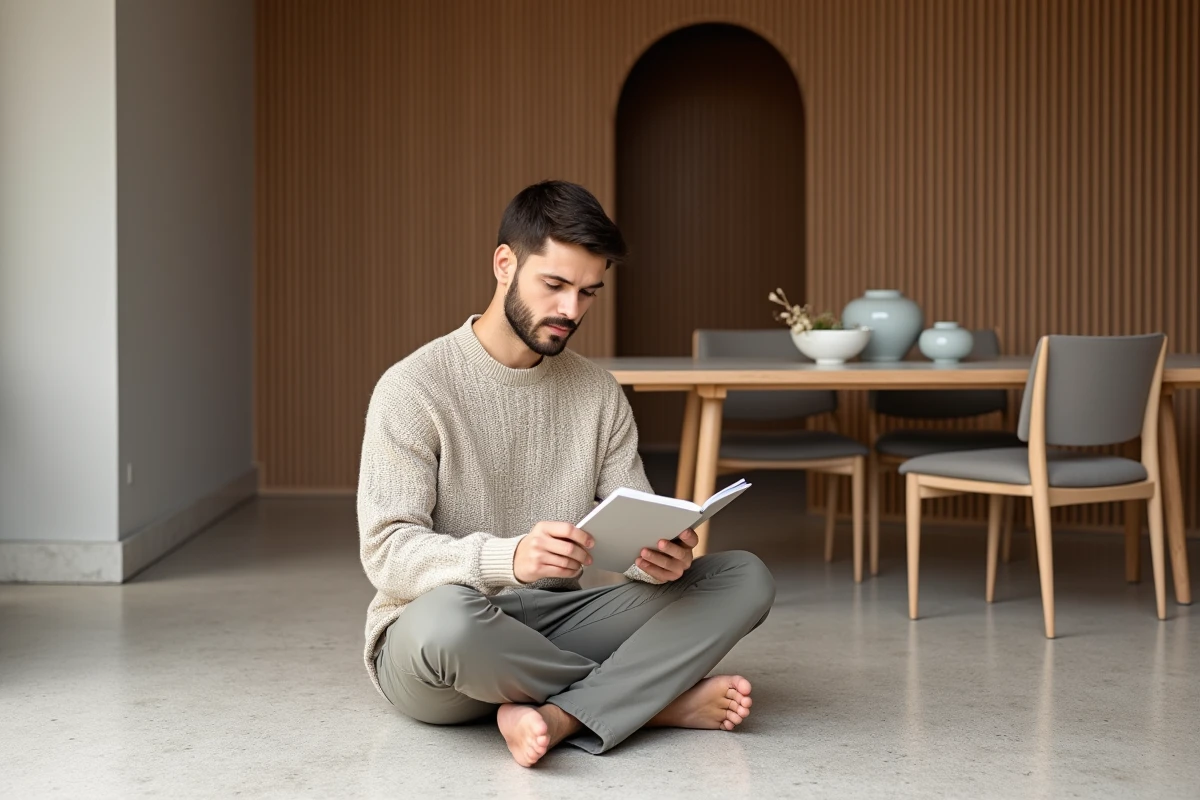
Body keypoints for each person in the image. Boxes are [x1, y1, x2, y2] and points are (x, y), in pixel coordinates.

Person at [357, 179, 775, 767]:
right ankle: (649, 702)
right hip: (440, 641)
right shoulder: (413, 387)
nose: (570, 311)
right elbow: (386, 552)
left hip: (553, 623)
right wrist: (510, 558)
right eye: (553, 285)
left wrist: (657, 558)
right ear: (505, 264)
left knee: (743, 577)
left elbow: (630, 523)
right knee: (448, 621)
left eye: (588, 293)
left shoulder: (598, 394)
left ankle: (558, 713)